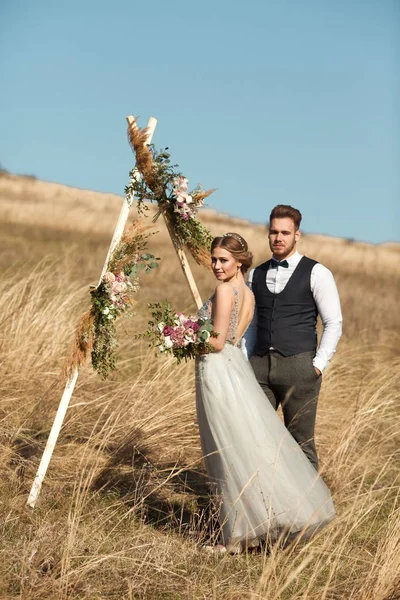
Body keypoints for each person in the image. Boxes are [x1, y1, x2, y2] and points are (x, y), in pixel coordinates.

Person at [196, 232, 336, 554]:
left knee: (227, 448)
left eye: (223, 260)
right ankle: (251, 524)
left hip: (218, 368)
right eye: (214, 259)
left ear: (239, 261)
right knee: (243, 445)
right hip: (233, 366)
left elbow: (216, 341)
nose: (216, 266)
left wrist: (179, 337)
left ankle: (234, 536)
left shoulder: (224, 290)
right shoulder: (247, 291)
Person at [244, 205, 343, 471]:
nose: (279, 238)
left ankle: (312, 510)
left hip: (300, 367)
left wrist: (317, 366)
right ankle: (264, 504)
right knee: (255, 438)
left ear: (297, 235)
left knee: (301, 444)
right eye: (274, 232)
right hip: (260, 367)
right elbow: (252, 323)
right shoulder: (255, 274)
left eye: (285, 233)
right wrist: (247, 362)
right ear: (268, 234)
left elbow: (334, 323)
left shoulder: (317, 272)